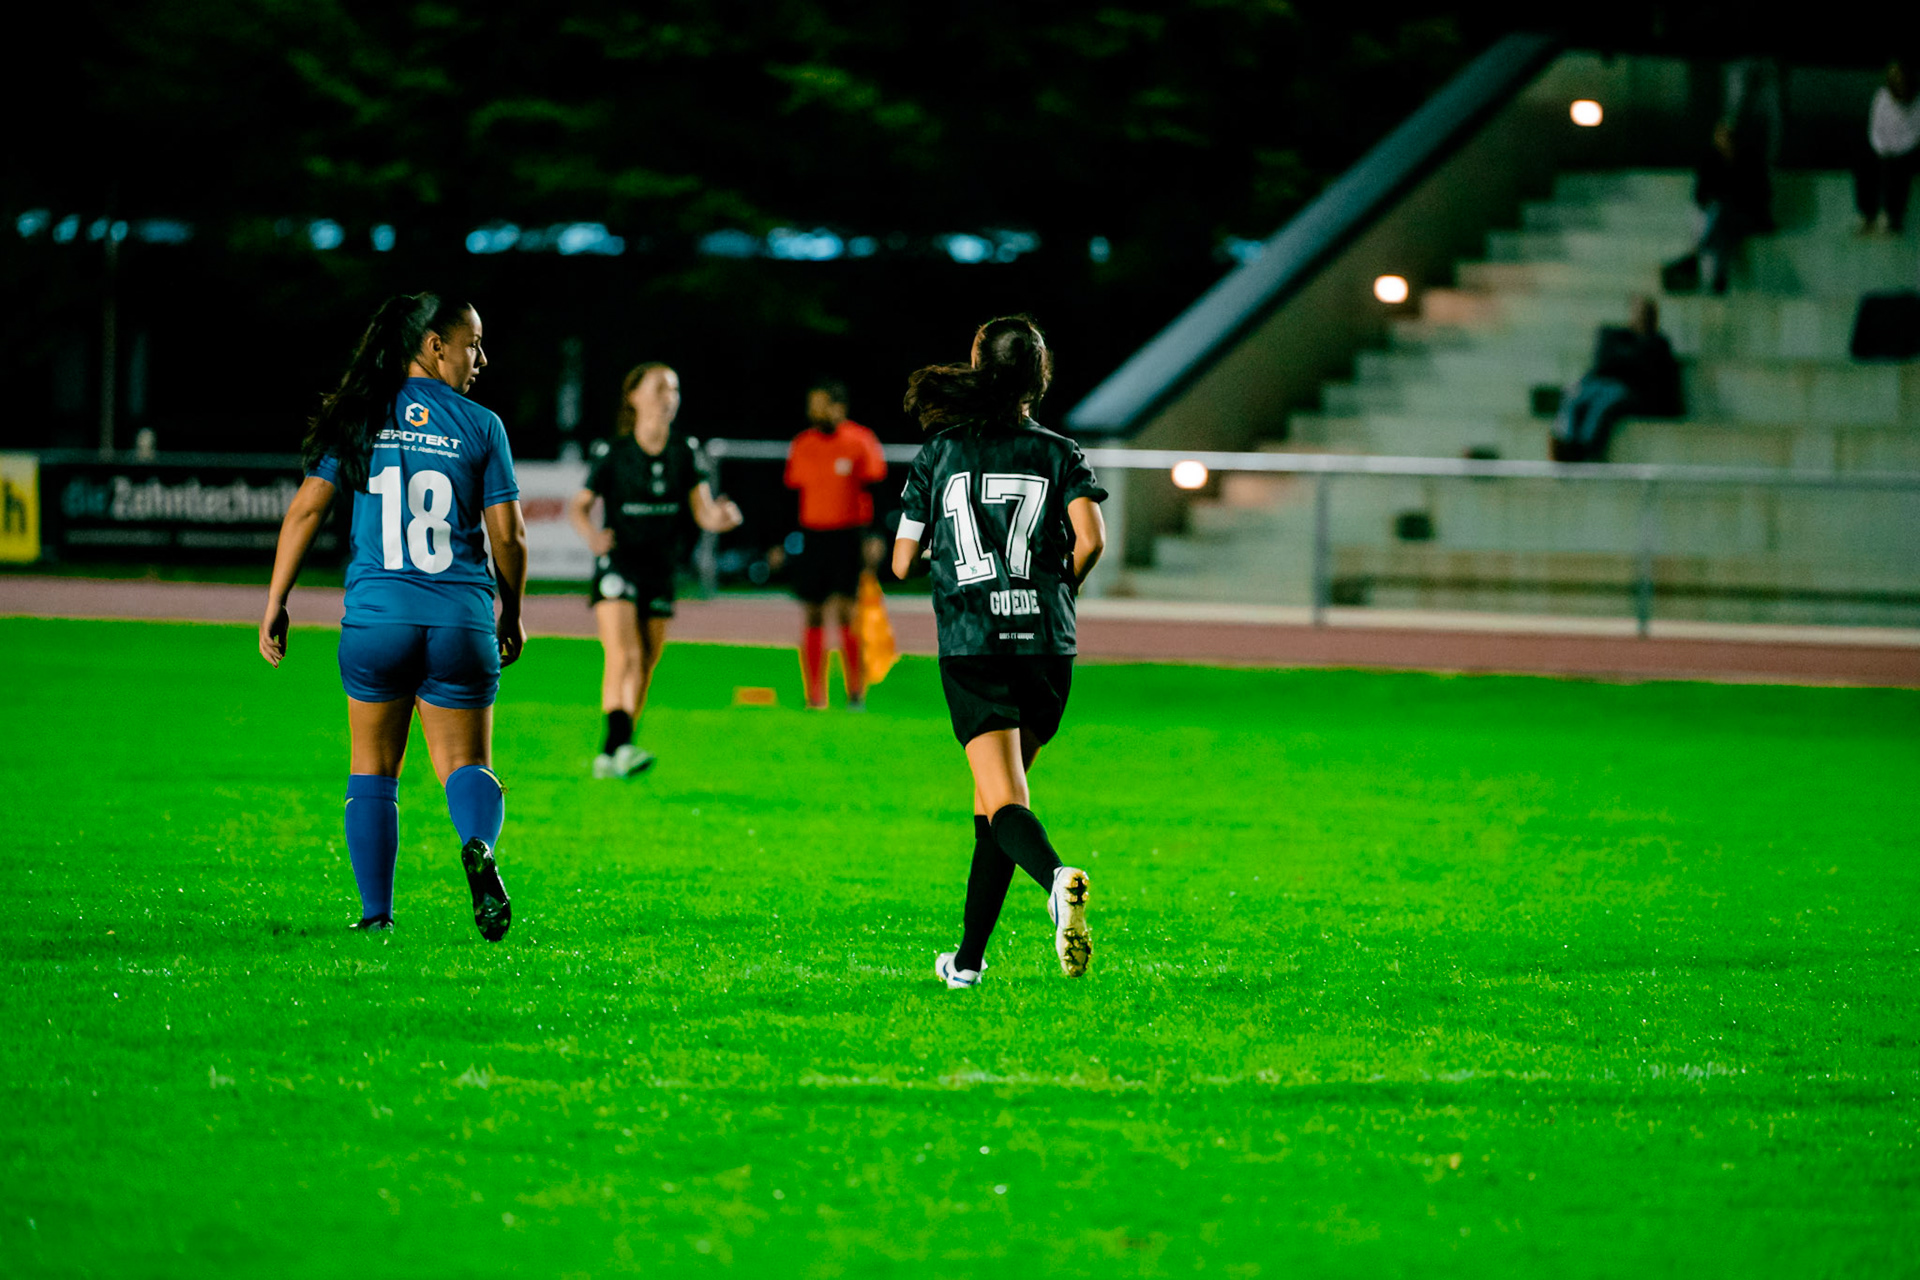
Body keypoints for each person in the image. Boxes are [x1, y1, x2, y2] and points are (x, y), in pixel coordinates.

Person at [259, 291, 526, 939]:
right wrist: (511, 611)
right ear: (434, 346)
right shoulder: (482, 425)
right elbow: (510, 538)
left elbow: (305, 511)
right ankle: (477, 847)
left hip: (378, 620)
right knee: (467, 763)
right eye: (473, 343)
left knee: (372, 768)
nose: (481, 358)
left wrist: (276, 602)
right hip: (461, 619)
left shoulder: (362, 417)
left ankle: (376, 915)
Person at [891, 316, 1108, 989]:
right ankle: (967, 962)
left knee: (1003, 799)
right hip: (1047, 643)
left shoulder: (941, 452)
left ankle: (1055, 879)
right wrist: (1055, 588)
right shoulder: (1060, 450)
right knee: (995, 807)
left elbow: (900, 561)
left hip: (974, 642)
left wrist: (948, 556)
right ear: (1039, 379)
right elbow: (1092, 539)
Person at [567, 362, 743, 777]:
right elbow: (578, 506)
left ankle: (612, 751)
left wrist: (723, 517)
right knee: (624, 654)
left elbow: (704, 513)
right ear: (634, 397)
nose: (669, 396)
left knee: (646, 662)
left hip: (661, 569)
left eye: (675, 389)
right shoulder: (614, 452)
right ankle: (622, 745)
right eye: (660, 387)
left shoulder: (685, 451)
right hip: (618, 565)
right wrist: (593, 537)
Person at [776, 379, 888, 709]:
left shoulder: (860, 441)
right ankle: (815, 696)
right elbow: (790, 496)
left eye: (821, 403)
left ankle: (856, 692)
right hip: (813, 536)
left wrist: (875, 536)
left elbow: (877, 490)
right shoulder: (803, 444)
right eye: (813, 404)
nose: (814, 410)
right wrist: (780, 540)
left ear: (839, 407)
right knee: (811, 613)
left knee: (846, 613)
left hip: (848, 536)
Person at [1551, 295, 1684, 462]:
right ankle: (1567, 442)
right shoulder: (1614, 335)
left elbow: (1645, 372)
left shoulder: (1658, 343)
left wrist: (1624, 361)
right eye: (1638, 312)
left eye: (1646, 313)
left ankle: (1587, 447)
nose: (1642, 317)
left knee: (1603, 403)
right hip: (1602, 383)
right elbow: (1604, 362)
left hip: (1631, 391)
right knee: (1573, 395)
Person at [1670, 120, 1775, 295]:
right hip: (1722, 219)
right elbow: (1701, 195)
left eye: (1729, 137)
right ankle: (1718, 277)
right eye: (1723, 136)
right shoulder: (1710, 161)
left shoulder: (1748, 162)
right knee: (1720, 225)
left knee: (1721, 218)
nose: (1726, 141)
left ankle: (1697, 253)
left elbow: (1755, 196)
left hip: (1743, 217)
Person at [1856, 58, 1919, 235]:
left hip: (1906, 150)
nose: (1895, 79)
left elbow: (1914, 135)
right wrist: (1882, 148)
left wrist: (1895, 151)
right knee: (1865, 161)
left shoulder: (1917, 102)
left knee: (1898, 167)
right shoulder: (1881, 96)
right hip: (1882, 148)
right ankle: (1867, 215)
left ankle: (1891, 217)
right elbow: (1875, 127)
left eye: (1899, 75)